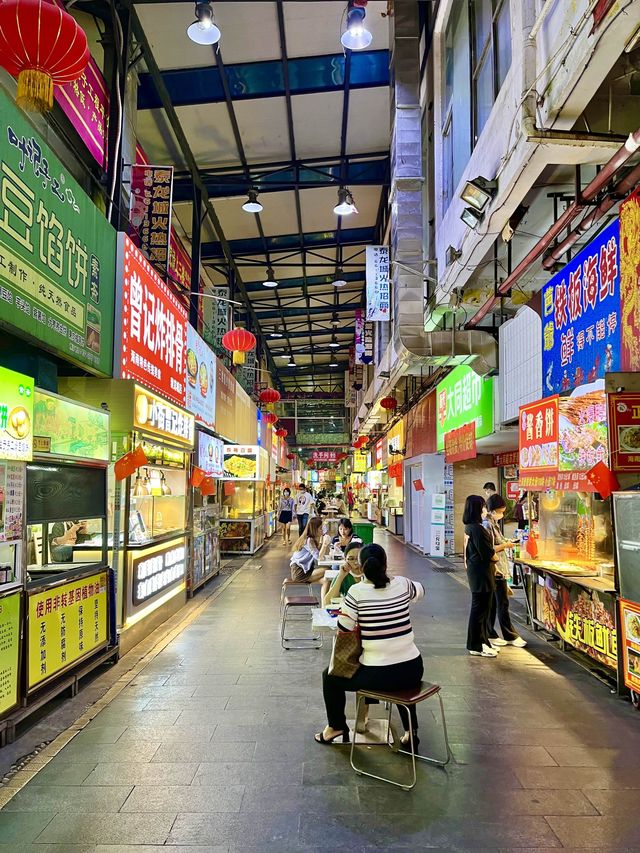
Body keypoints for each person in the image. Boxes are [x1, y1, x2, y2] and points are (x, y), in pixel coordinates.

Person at [316, 543, 425, 747]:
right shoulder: (402, 584)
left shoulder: (357, 592)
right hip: (413, 668)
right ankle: (411, 732)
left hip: (378, 674)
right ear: (385, 564)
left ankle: (336, 726)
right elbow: (421, 591)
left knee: (329, 677)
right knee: (402, 680)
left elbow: (344, 626)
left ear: (362, 567)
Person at [484, 495, 527, 648]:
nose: (502, 514)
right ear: (493, 510)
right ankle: (510, 635)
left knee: (495, 603)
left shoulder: (493, 523)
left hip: (498, 567)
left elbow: (498, 541)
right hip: (496, 569)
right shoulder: (486, 525)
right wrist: (506, 546)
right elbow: (489, 549)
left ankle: (491, 634)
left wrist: (507, 542)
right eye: (501, 511)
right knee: (502, 603)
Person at [463, 495, 498, 658]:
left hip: (477, 573)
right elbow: (486, 553)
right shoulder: (477, 529)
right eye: (483, 507)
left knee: (482, 609)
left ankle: (483, 641)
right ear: (478, 509)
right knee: (480, 610)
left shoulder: (470, 527)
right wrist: (495, 556)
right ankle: (476, 644)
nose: (485, 510)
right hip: (481, 574)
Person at [321, 541, 363, 606]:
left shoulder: (370, 574)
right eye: (351, 559)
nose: (356, 562)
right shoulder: (343, 575)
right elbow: (327, 603)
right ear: (345, 560)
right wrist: (341, 576)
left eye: (359, 559)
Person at [290, 517, 326, 584]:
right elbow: (318, 557)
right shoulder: (309, 540)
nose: (322, 530)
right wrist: (324, 545)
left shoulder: (309, 538)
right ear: (315, 529)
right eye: (321, 528)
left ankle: (327, 595)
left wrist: (322, 541)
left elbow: (317, 552)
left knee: (326, 581)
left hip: (302, 571)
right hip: (300, 573)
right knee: (328, 570)